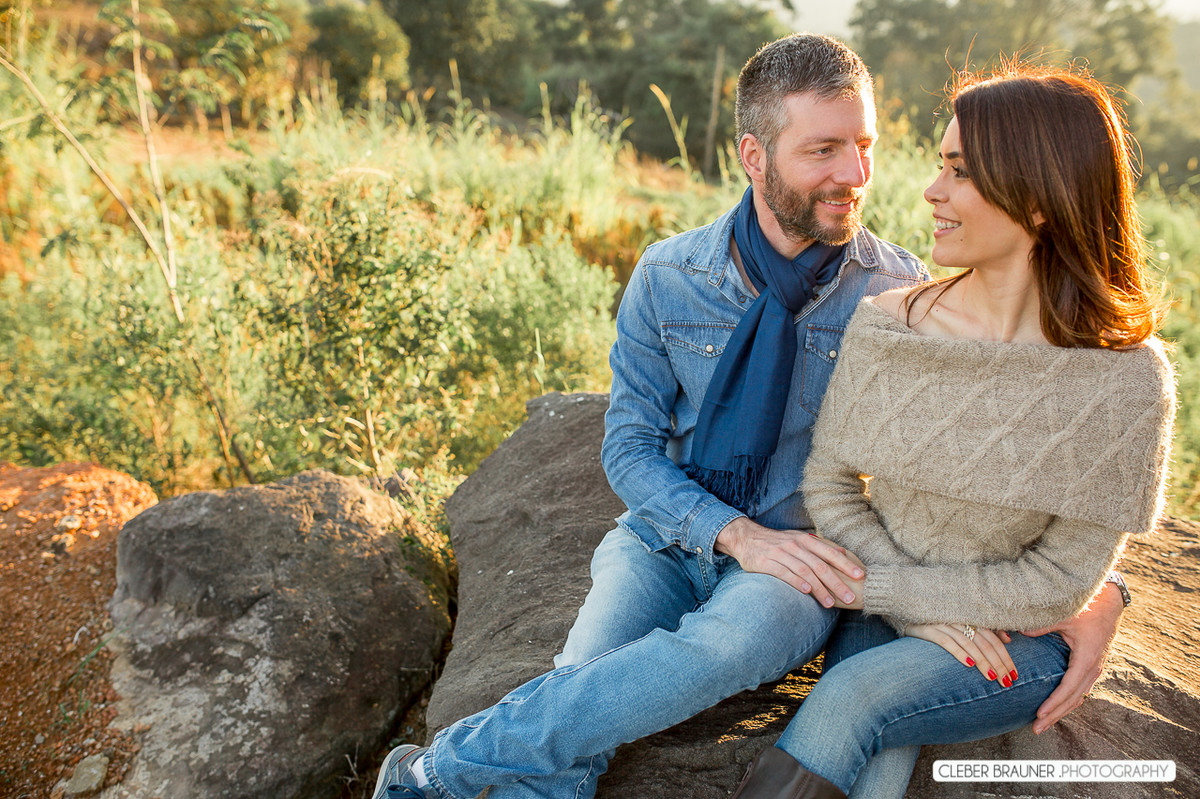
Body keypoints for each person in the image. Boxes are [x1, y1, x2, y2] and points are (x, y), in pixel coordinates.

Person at [373, 36, 1127, 799]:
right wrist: (732, 532)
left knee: (741, 635)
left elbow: (995, 452)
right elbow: (630, 446)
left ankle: (433, 769)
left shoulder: (898, 290)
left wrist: (1100, 590)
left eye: (864, 146)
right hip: (662, 540)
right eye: (824, 150)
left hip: (802, 566)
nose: (856, 175)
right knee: (587, 683)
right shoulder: (669, 277)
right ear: (753, 155)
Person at [729, 64, 1176, 799]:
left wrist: (886, 591)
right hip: (883, 602)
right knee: (873, 752)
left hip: (1016, 640)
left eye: (960, 172)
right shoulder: (891, 324)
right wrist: (917, 605)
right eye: (941, 165)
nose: (931, 191)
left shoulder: (1124, 379)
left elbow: (1063, 580)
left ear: (1038, 198)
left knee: (853, 697)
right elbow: (832, 489)